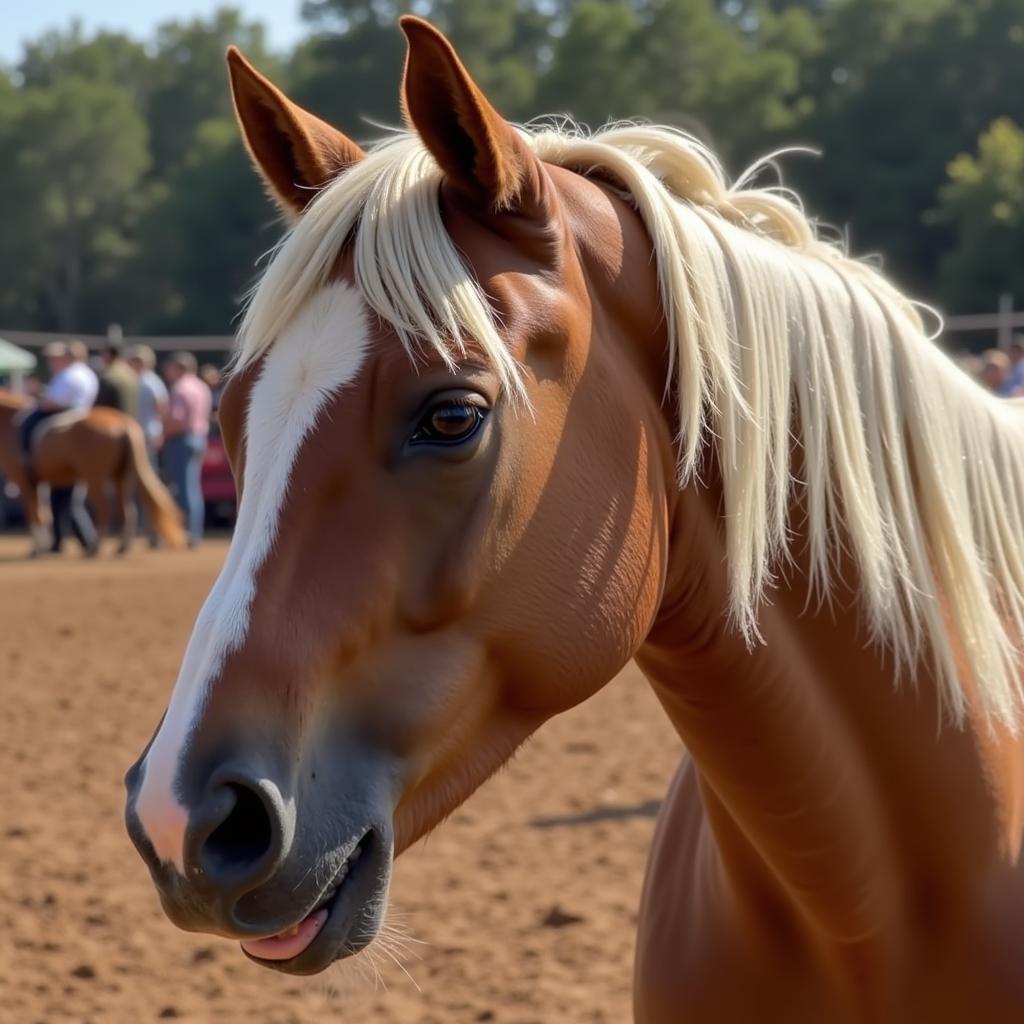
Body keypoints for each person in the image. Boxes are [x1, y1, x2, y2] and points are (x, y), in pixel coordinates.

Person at [18, 340, 100, 555]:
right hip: (80, 413)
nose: (52, 361)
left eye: (56, 357)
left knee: (27, 422)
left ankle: (26, 457)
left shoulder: (70, 374)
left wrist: (38, 399)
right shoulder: (84, 373)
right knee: (65, 497)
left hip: (67, 415)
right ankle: (62, 540)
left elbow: (54, 402)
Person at [162, 352, 211, 547]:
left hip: (181, 440)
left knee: (182, 489)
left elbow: (177, 420)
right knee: (192, 488)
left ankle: (186, 533)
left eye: (170, 368)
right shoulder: (201, 387)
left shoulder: (180, 389)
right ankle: (194, 532)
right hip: (198, 439)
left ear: (179, 368)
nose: (167, 371)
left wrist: (162, 431)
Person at [128, 345, 170, 547]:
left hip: (146, 436)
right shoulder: (143, 381)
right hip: (141, 436)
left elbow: (161, 409)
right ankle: (150, 532)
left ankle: (156, 532)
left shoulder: (150, 382)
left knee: (149, 483)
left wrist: (159, 432)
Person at [95, 339, 139, 419]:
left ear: (108, 354)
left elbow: (100, 405)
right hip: (131, 421)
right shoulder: (131, 374)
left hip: (112, 422)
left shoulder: (109, 376)